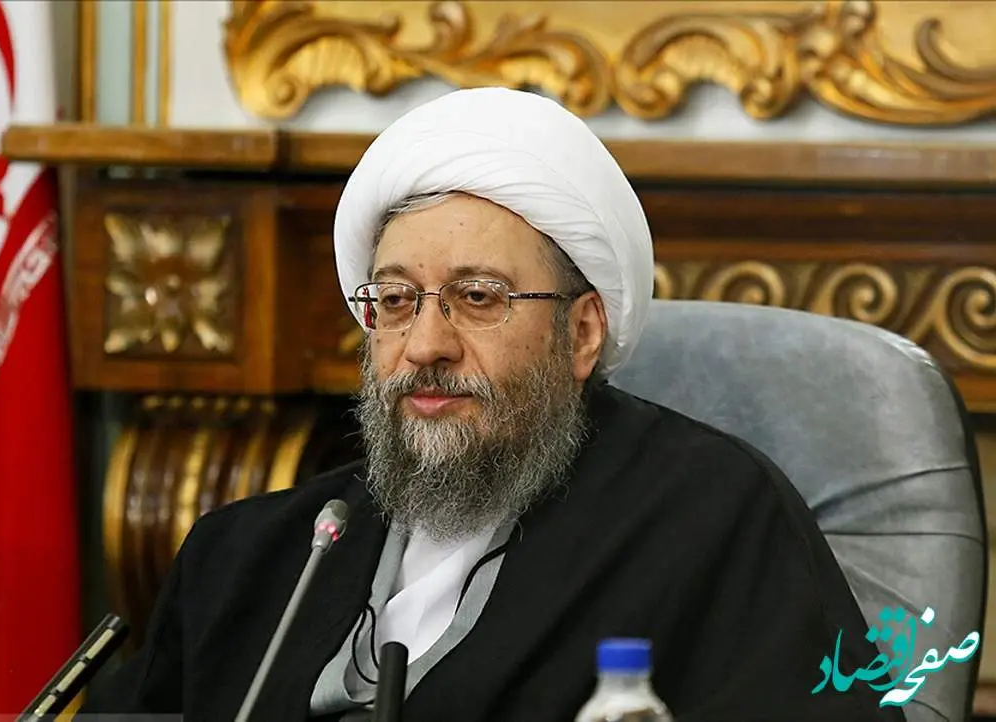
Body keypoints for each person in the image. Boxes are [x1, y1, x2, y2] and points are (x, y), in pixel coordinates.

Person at [82, 88, 905, 722]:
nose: (425, 344)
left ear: (582, 332)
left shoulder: (714, 520)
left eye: (477, 297)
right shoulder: (251, 558)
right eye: (395, 301)